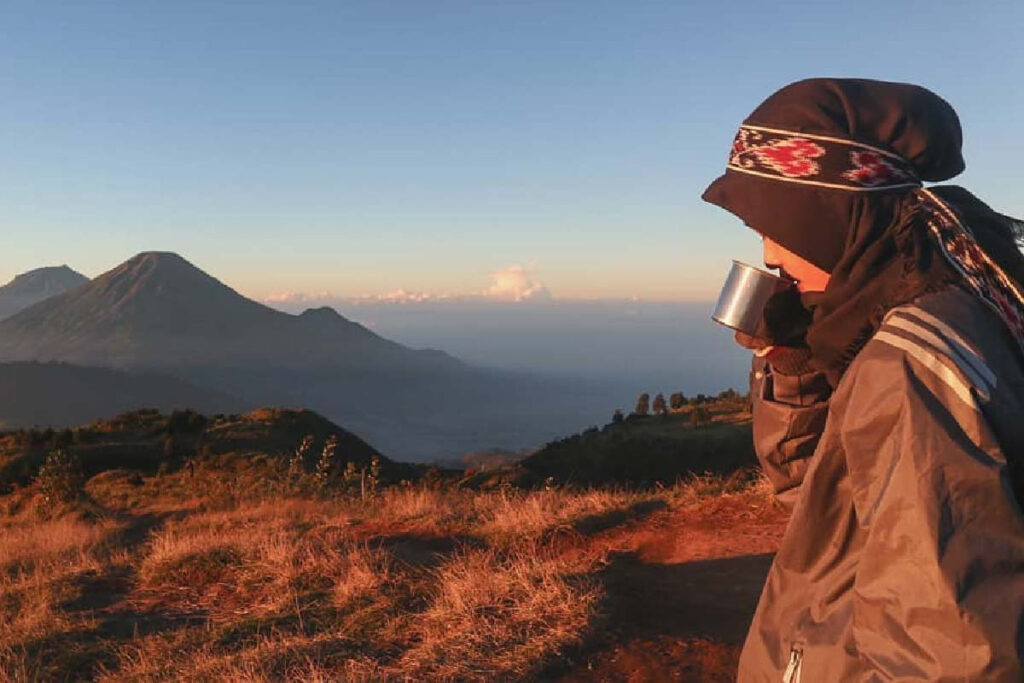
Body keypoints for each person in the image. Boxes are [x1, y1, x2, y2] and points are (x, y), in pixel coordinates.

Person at [701, 78, 1024, 681]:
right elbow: (829, 510)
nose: (770, 253)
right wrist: (794, 364)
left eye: (775, 223)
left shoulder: (908, 364)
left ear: (831, 213)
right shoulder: (964, 290)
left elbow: (948, 652)